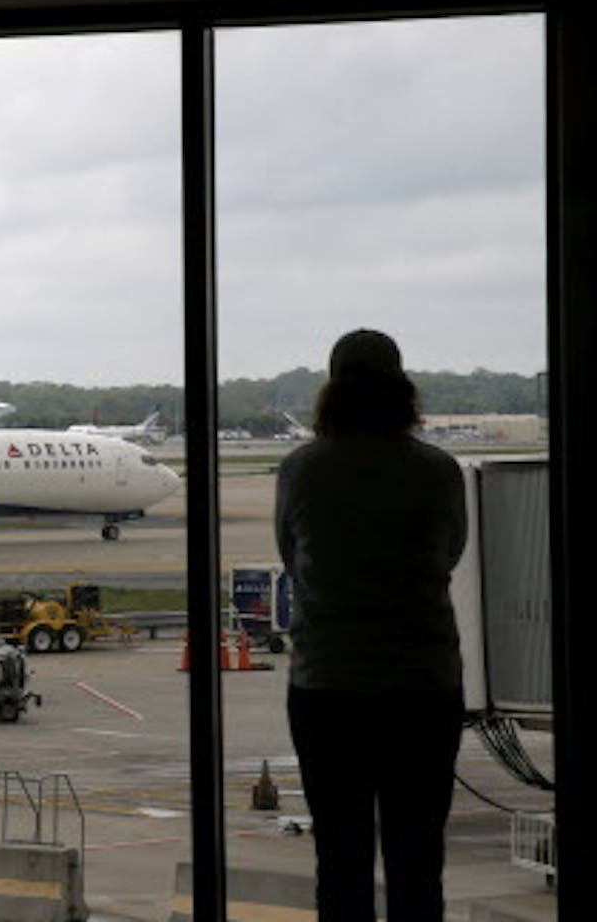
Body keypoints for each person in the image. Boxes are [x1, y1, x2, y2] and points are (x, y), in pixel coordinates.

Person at [275, 329, 468, 922]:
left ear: (331, 390)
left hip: (328, 684)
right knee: (417, 862)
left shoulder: (303, 469)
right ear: (401, 387)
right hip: (422, 684)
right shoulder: (438, 470)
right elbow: (450, 555)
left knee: (340, 861)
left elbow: (291, 558)